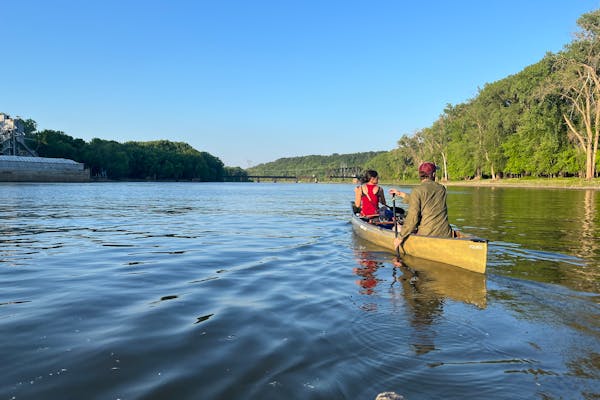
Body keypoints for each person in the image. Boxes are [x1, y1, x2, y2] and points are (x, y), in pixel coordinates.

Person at [389, 162, 453, 250]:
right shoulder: (442, 189)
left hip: (427, 233)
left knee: (397, 228)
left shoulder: (417, 190)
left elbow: (413, 217)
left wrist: (400, 237)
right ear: (433, 174)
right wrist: (400, 194)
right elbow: (426, 201)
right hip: (445, 233)